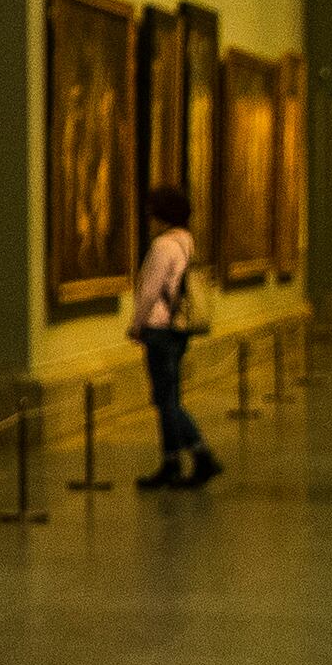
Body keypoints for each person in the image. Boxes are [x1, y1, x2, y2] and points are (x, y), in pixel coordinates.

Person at [130, 183, 218, 489]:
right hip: (179, 328)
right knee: (169, 397)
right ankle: (171, 462)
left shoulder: (162, 246)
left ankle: (201, 455)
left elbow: (150, 290)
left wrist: (136, 324)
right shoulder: (187, 242)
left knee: (166, 400)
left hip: (159, 327)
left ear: (160, 214)